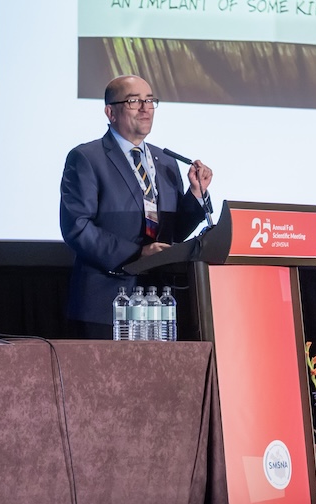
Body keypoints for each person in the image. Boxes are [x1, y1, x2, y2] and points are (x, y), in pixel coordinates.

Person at [60, 74, 213, 339]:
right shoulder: (86, 158)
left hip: (160, 306)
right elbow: (78, 227)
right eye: (134, 101)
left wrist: (196, 195)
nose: (145, 108)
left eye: (150, 100)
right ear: (111, 112)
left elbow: (174, 232)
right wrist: (137, 254)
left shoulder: (166, 161)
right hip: (105, 303)